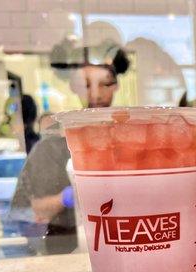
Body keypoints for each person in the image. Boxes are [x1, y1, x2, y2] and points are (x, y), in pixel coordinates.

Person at [7, 41, 130, 255]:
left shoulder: (129, 142)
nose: (96, 95)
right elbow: (22, 212)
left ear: (117, 85)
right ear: (73, 86)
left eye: (105, 84)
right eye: (86, 84)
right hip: (65, 253)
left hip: (123, 248)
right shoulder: (50, 148)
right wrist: (65, 198)